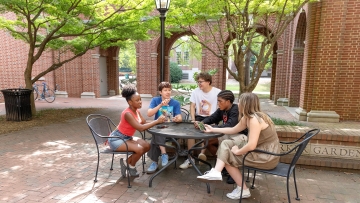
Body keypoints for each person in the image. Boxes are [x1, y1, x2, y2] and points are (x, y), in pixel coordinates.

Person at [197, 93, 280, 200]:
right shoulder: (248, 117)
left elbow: (251, 145)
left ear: (245, 104)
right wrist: (212, 129)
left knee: (228, 157)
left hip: (266, 156)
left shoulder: (255, 120)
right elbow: (233, 130)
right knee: (226, 143)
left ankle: (243, 189)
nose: (238, 104)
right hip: (259, 151)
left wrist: (237, 152)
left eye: (240, 101)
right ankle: (216, 172)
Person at [107, 84, 166, 177]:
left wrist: (159, 123)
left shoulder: (136, 111)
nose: (140, 102)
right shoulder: (127, 114)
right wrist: (156, 121)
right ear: (130, 102)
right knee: (139, 149)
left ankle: (126, 163)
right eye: (137, 100)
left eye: (140, 99)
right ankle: (131, 166)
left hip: (127, 137)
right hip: (116, 139)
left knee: (147, 146)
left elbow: (144, 122)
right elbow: (141, 128)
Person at [179, 72, 221, 169]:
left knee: (204, 130)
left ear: (208, 82)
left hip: (212, 117)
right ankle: (190, 158)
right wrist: (193, 120)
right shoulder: (196, 92)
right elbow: (192, 106)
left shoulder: (217, 92)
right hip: (199, 117)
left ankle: (201, 154)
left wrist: (215, 119)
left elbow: (220, 108)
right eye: (198, 82)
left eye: (201, 82)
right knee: (191, 134)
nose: (199, 84)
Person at [146, 82, 182, 173]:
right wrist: (160, 105)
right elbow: (149, 114)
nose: (168, 92)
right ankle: (164, 154)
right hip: (159, 127)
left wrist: (177, 119)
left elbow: (180, 117)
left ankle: (154, 162)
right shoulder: (155, 100)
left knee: (155, 135)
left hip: (172, 130)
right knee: (158, 132)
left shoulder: (175, 103)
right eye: (165, 90)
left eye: (169, 90)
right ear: (160, 92)